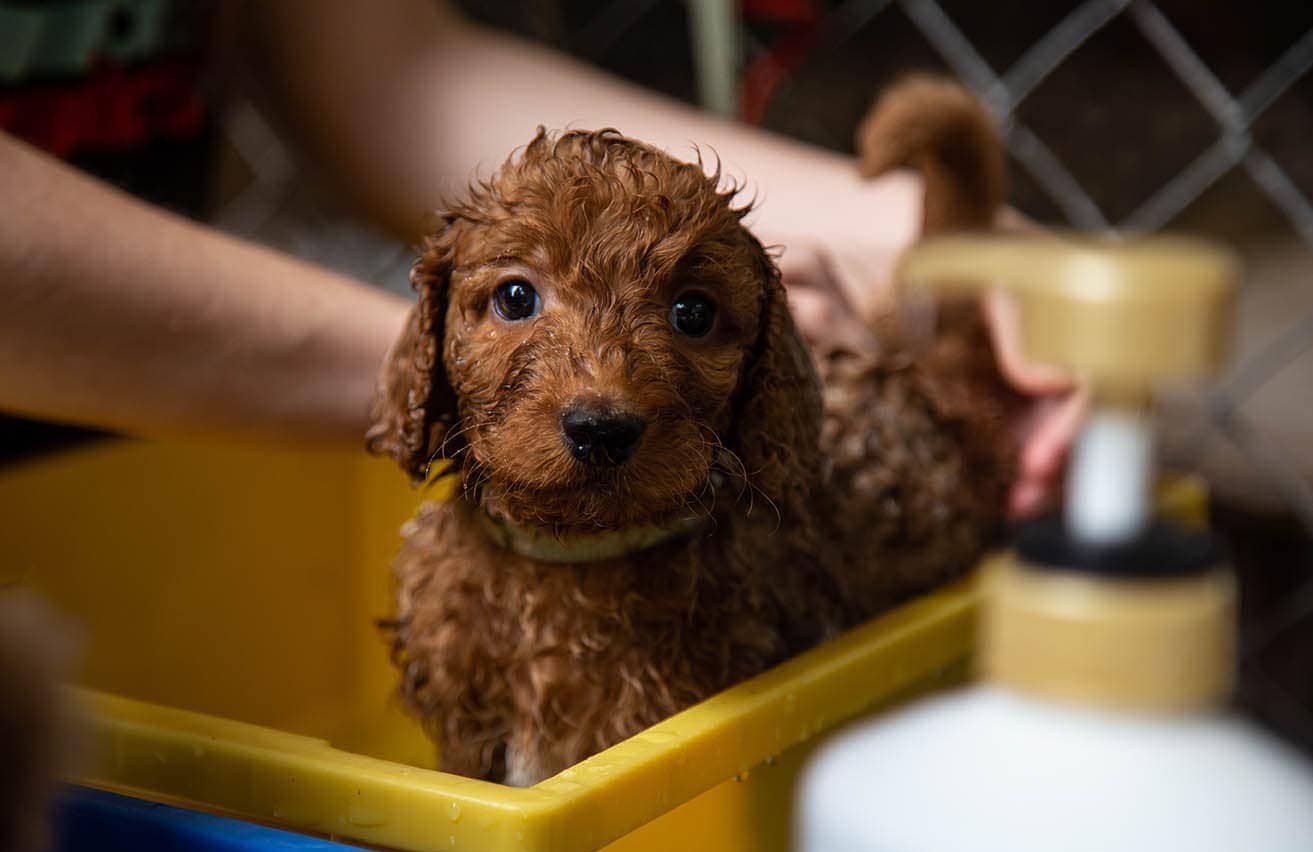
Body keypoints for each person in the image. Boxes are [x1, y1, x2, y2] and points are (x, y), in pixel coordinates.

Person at [0, 0, 1077, 516]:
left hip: (132, 488)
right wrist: (462, 372)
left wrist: (902, 236)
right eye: (512, 303)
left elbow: (395, 73)